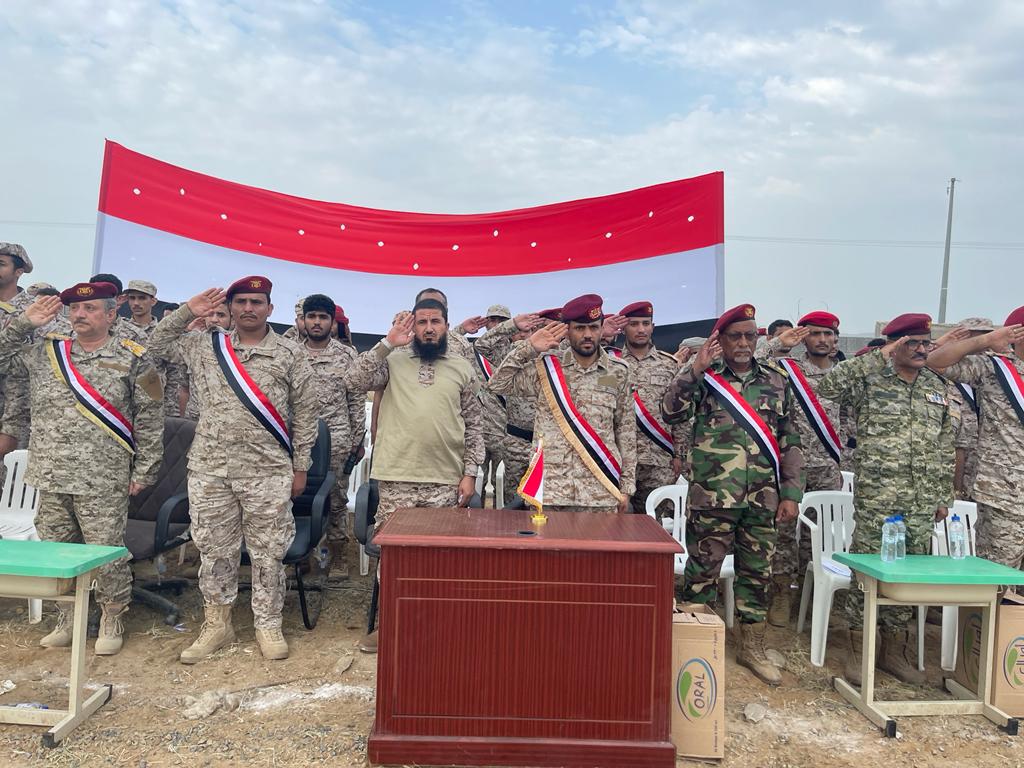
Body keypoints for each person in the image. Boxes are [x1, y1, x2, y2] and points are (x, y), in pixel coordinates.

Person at [148, 277, 317, 663]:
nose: (248, 308)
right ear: (231, 308)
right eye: (241, 302)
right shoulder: (205, 345)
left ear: (270, 309)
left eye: (257, 302)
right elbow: (155, 345)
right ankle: (218, 623)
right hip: (212, 469)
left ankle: (268, 623)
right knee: (214, 550)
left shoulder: (290, 353)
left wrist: (301, 466)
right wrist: (187, 311)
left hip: (267, 470)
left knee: (268, 552)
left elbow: (306, 413)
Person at [0, 282, 164, 655]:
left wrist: (145, 470)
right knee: (58, 550)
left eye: (90, 308)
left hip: (103, 476)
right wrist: (24, 323)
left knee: (105, 552)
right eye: (74, 308)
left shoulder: (133, 357)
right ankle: (68, 617)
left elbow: (150, 418)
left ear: (111, 314)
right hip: (51, 471)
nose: (80, 315)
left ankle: (111, 615)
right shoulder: (46, 352)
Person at [662, 303, 804, 686]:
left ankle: (751, 646)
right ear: (720, 340)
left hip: (763, 497)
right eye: (735, 336)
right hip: (713, 495)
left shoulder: (776, 380)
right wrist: (695, 370)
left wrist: (791, 493)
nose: (743, 343)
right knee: (702, 571)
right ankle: (693, 645)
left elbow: (791, 440)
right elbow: (670, 412)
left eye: (750, 336)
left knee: (756, 574)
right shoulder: (704, 377)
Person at [818, 313, 954, 686]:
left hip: (921, 501)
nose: (922, 350)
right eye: (913, 343)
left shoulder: (936, 386)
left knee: (908, 574)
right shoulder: (869, 380)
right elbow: (828, 386)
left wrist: (943, 495)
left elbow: (944, 444)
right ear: (896, 345)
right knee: (867, 571)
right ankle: (859, 652)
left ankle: (894, 651)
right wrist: (881, 355)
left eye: (926, 343)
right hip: (879, 498)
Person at [488, 294, 636, 514]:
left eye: (594, 327)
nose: (588, 334)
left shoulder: (618, 371)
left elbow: (625, 429)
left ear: (601, 328)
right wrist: (529, 347)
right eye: (579, 328)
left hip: (600, 489)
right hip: (550, 489)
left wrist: (627, 485)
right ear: (567, 330)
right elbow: (497, 384)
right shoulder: (546, 367)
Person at [345, 297, 483, 525]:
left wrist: (470, 474)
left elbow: (474, 426)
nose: (429, 329)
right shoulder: (392, 361)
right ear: (413, 327)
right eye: (421, 322)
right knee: (393, 545)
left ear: (447, 326)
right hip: (396, 478)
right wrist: (387, 344)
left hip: (445, 479)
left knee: (438, 545)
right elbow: (353, 381)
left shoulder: (462, 367)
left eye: (435, 322)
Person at [756, 311, 844, 627]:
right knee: (783, 532)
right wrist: (778, 342)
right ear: (804, 337)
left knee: (819, 538)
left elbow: (851, 419)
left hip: (827, 468)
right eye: (815, 333)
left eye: (828, 334)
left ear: (836, 339)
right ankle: (781, 593)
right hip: (790, 465)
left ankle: (817, 596)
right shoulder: (787, 368)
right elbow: (751, 360)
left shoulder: (845, 374)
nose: (822, 339)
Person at [927, 308, 1024, 571]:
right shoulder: (995, 368)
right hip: (1005, 493)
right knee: (998, 574)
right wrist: (986, 340)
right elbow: (935, 362)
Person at [300, 294, 365, 573]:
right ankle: (301, 556)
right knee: (297, 496)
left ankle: (338, 556)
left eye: (323, 317)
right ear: (303, 320)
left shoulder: (347, 355)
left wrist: (357, 441)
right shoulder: (290, 353)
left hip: (337, 441)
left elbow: (356, 400)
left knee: (337, 499)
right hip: (299, 441)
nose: (317, 322)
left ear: (332, 322)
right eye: (311, 316)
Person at [617, 301, 684, 515]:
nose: (641, 329)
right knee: (614, 521)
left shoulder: (670, 365)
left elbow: (679, 412)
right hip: (620, 457)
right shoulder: (611, 364)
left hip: (659, 458)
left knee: (653, 523)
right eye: (634, 324)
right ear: (624, 328)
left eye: (646, 323)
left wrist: (679, 454)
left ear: (653, 327)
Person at [473, 310, 546, 504]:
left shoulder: (552, 357)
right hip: (516, 441)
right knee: (511, 500)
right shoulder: (507, 355)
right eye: (519, 331)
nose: (523, 335)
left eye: (529, 331)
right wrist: (510, 324)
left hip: (545, 443)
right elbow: (481, 345)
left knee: (542, 502)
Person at [0, 243, 35, 461]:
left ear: (18, 272)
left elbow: (33, 367)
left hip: (15, 414)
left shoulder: (34, 311)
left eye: (1, 264)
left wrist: (10, 429)